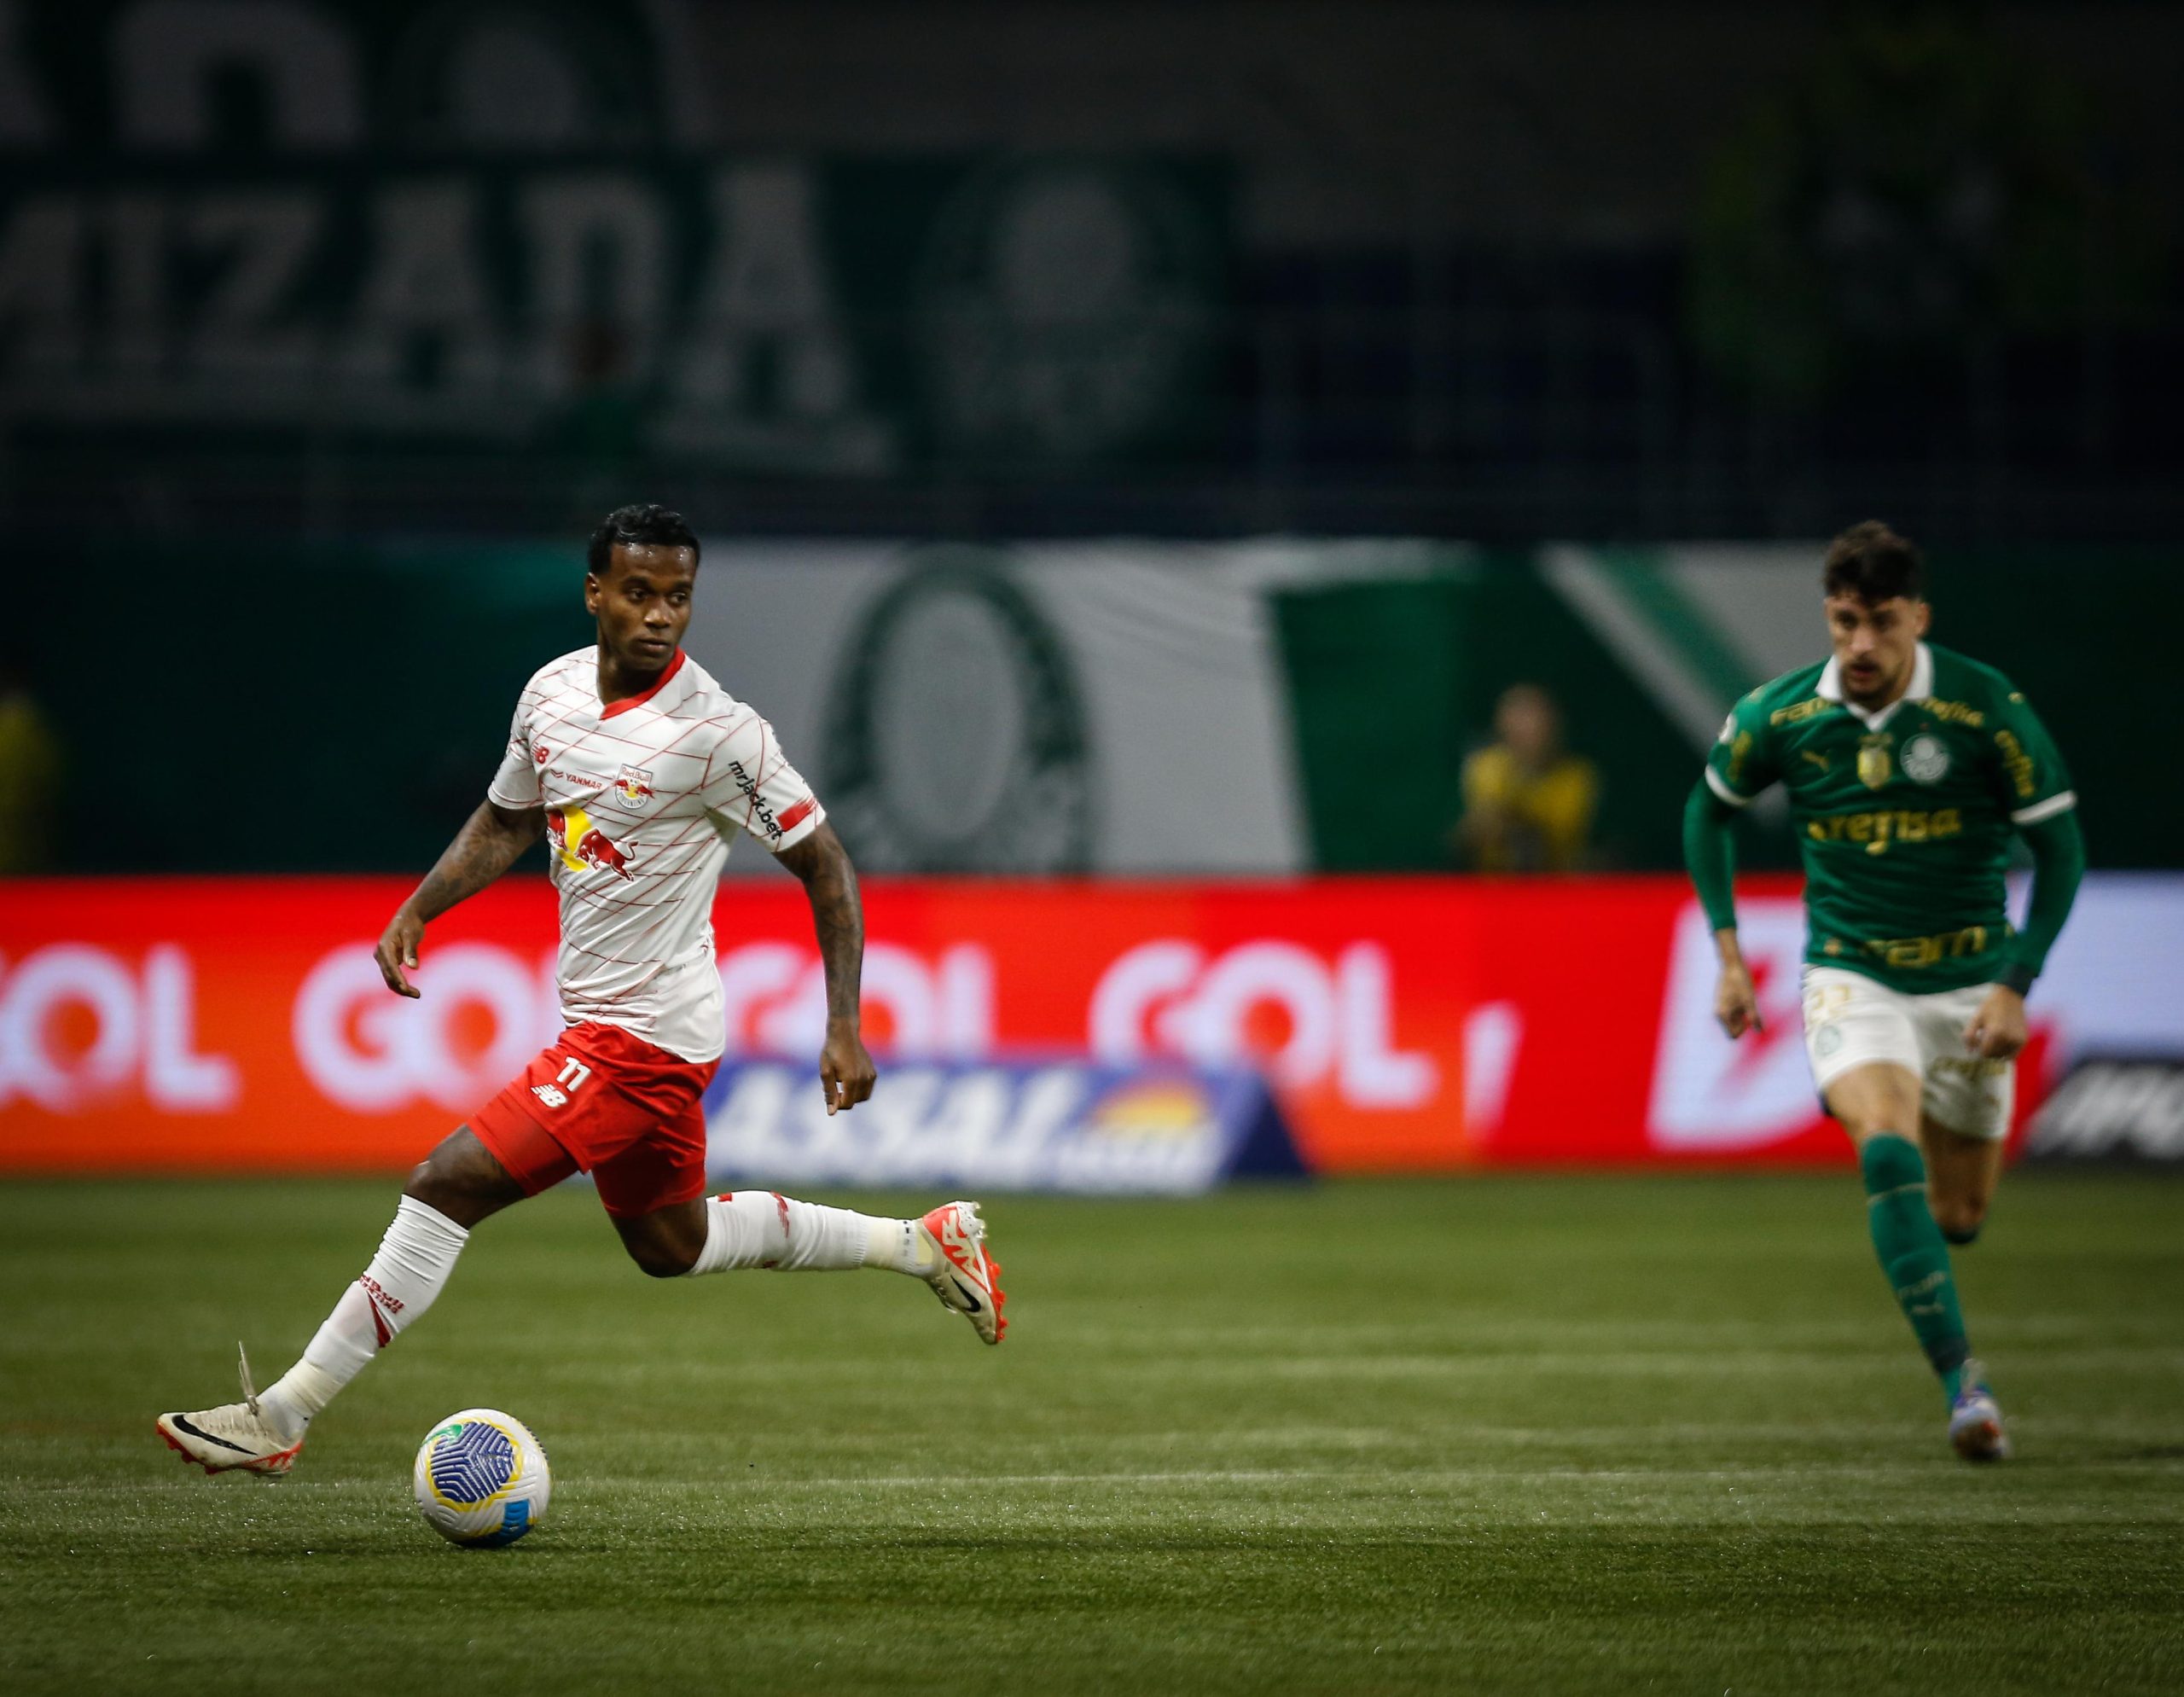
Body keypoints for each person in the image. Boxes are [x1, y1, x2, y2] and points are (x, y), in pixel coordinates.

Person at [159, 505, 1007, 1479]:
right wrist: (420, 909)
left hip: (641, 1041)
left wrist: (844, 1025)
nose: (660, 616)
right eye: (639, 593)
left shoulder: (720, 735)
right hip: (615, 1028)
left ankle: (280, 1414)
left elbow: (827, 865)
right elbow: (507, 819)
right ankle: (921, 1245)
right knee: (671, 1244)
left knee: (445, 1184)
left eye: (678, 597)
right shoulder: (550, 694)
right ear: (596, 592)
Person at [1682, 520, 2082, 1462]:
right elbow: (1710, 810)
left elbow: (2061, 849)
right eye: (1843, 622)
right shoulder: (1777, 717)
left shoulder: (1984, 710)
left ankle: (1941, 1276)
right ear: (1828, 616)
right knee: (1881, 1142)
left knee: (1957, 1218)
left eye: (1881, 624)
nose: (1860, 645)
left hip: (1970, 990)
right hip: (1851, 976)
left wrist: (2015, 984)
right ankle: (1963, 1388)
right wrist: (1730, 955)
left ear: (1918, 618)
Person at [1452, 683, 1600, 872]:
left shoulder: (1578, 775)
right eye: (1516, 717)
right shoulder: (1484, 767)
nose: (1525, 728)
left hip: (1555, 888)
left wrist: (1512, 820)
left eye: (1532, 717)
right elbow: (1466, 836)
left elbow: (1555, 842)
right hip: (1489, 887)